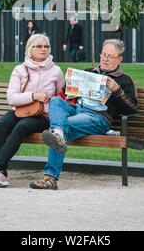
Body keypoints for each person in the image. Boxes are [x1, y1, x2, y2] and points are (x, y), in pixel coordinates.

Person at [30, 39, 138, 190]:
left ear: (120, 59)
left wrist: (117, 90)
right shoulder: (89, 72)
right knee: (56, 101)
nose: (105, 59)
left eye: (110, 56)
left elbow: (132, 109)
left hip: (97, 117)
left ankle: (50, 177)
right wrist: (70, 83)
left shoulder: (125, 80)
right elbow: (68, 94)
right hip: (77, 110)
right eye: (103, 55)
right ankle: (58, 134)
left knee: (63, 126)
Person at [0, 33, 65, 187]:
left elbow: (61, 97)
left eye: (46, 46)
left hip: (42, 115)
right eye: (39, 46)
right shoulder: (20, 69)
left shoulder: (56, 71)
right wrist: (34, 96)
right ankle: (2, 174)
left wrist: (49, 101)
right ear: (29, 49)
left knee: (22, 126)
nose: (43, 49)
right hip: (19, 110)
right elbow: (12, 98)